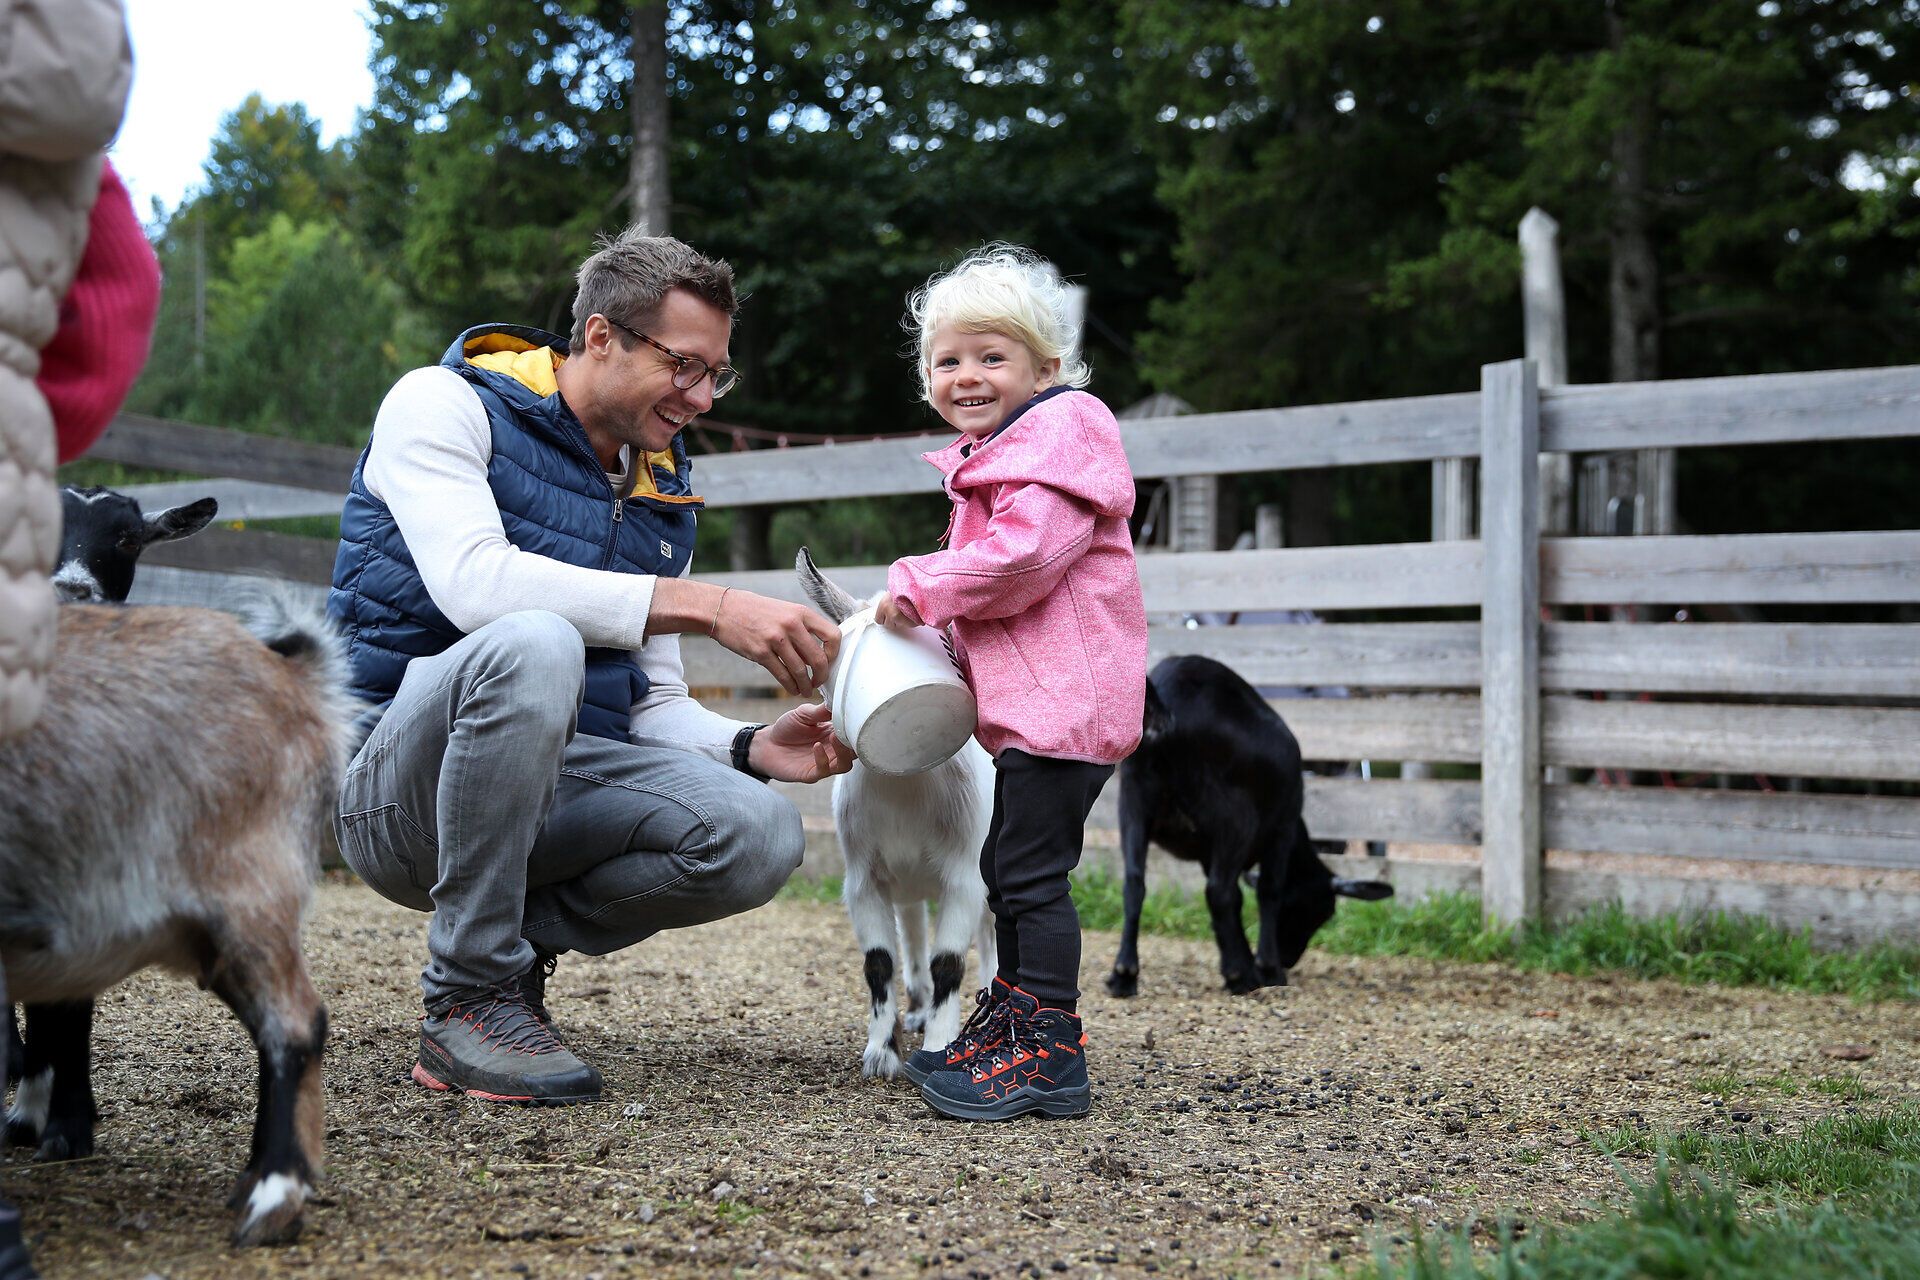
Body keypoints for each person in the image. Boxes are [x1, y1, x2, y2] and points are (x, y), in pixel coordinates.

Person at [328, 227, 853, 1106]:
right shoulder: (443, 403)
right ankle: (467, 997)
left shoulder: (659, 482)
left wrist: (752, 747)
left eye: (716, 374)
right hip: (399, 787)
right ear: (601, 336)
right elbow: (474, 585)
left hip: (554, 786)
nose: (701, 397)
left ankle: (508, 944)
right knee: (536, 640)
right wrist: (713, 605)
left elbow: (653, 705)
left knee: (759, 833)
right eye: (684, 365)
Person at [871, 244, 1146, 1121]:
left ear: (1046, 367)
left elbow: (1022, 561)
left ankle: (1050, 1052)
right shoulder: (999, 460)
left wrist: (919, 584)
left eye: (994, 357)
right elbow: (987, 585)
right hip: (1037, 707)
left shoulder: (1058, 448)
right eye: (949, 360)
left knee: (1029, 876)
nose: (969, 375)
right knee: (1005, 866)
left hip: (1069, 705)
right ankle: (1014, 1027)